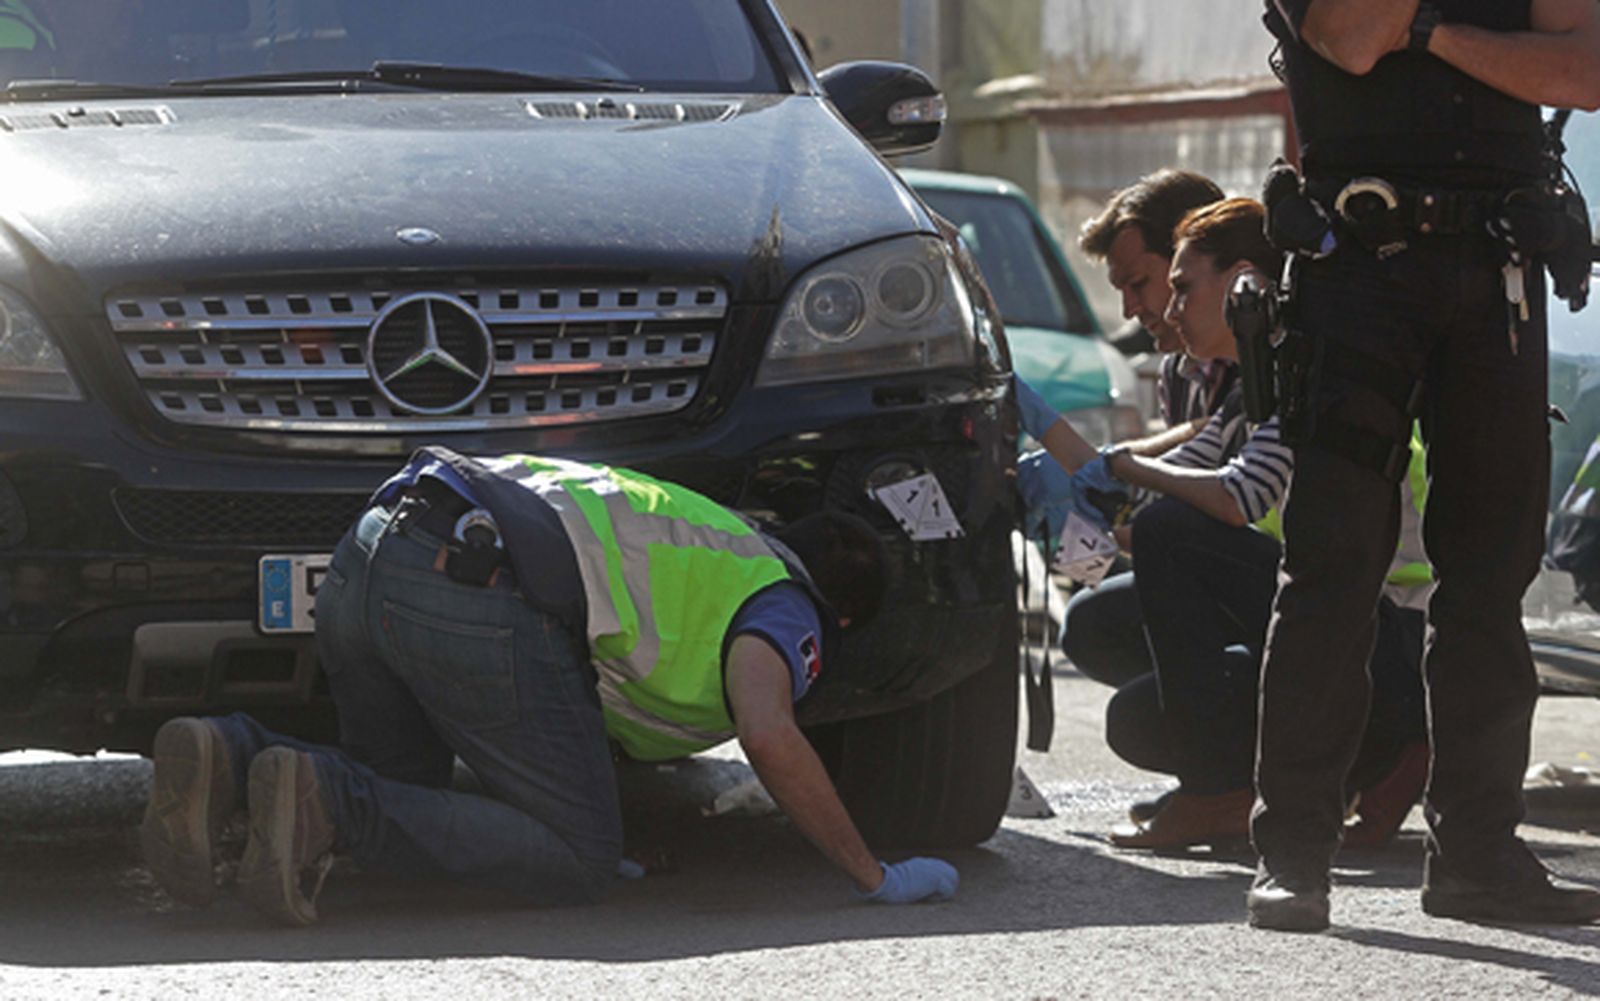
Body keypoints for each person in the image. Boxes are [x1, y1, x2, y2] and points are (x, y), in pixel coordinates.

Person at [140, 448, 958, 924]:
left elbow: (570, 718)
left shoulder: (704, 534)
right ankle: (327, 796)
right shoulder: (788, 599)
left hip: (373, 548)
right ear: (839, 621)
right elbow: (769, 729)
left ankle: (232, 752)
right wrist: (871, 873)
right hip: (475, 586)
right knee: (577, 859)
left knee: (408, 792)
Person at [1251, 0, 1600, 931]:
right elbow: (1352, 35)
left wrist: (1429, 32)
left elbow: (1584, 71)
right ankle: (1293, 854)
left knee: (1491, 577)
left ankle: (1479, 858)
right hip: (1357, 272)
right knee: (1333, 566)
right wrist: (1491, 43)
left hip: (1499, 270)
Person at [1022, 169, 1229, 691]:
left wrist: (1105, 473)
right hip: (1220, 573)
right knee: (1091, 622)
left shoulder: (1265, 362)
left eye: (1140, 284)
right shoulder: (1180, 374)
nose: (1130, 311)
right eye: (1120, 290)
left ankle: (1222, 739)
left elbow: (1198, 487)